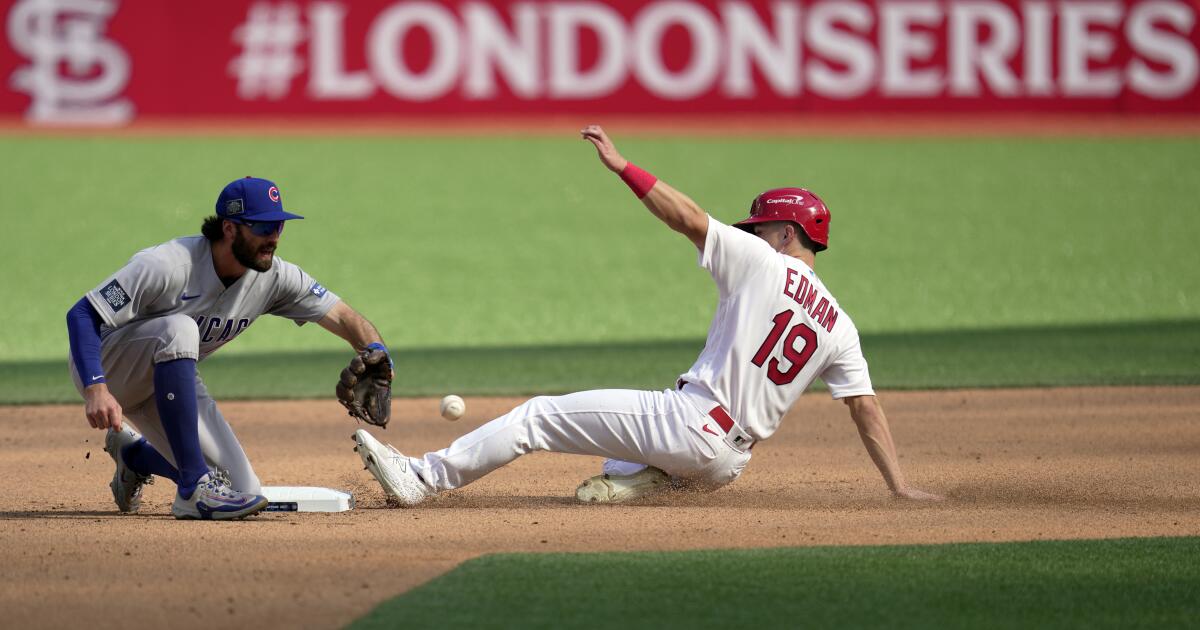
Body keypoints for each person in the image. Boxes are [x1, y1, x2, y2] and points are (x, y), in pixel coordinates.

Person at [352, 126, 942, 506]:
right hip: (728, 463)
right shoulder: (840, 323)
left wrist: (624, 167)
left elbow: (687, 217)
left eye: (759, 226)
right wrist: (899, 487)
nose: (750, 233)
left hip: (690, 425)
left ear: (786, 233)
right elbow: (865, 408)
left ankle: (423, 478)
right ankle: (641, 477)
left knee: (539, 416)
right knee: (626, 451)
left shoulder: (763, 261)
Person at [67, 176, 391, 520]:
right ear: (230, 228)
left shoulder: (275, 277)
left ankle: (133, 457)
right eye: (263, 226)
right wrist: (96, 388)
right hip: (111, 366)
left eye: (279, 225)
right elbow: (83, 313)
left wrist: (379, 354)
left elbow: (343, 316)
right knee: (180, 328)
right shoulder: (167, 265)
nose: (274, 238)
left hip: (169, 378)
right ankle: (192, 489)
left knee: (244, 491)